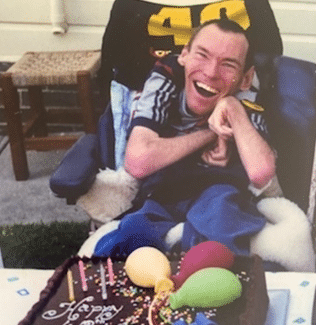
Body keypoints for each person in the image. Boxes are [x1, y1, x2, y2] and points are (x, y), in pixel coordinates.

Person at [94, 18, 281, 258]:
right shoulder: (167, 78)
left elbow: (261, 172)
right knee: (133, 233)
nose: (211, 72)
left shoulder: (244, 101)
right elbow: (138, 162)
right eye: (202, 55)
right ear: (184, 55)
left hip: (218, 190)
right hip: (164, 189)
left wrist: (232, 107)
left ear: (245, 78)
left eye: (228, 65)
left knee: (220, 228)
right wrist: (211, 134)